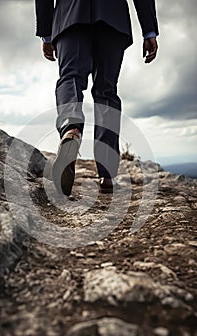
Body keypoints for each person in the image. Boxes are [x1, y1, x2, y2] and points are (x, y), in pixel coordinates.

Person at [35, 0, 159, 195]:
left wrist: (45, 32)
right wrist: (148, 30)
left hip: (70, 16)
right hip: (112, 16)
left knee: (71, 79)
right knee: (106, 91)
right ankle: (107, 175)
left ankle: (71, 129)